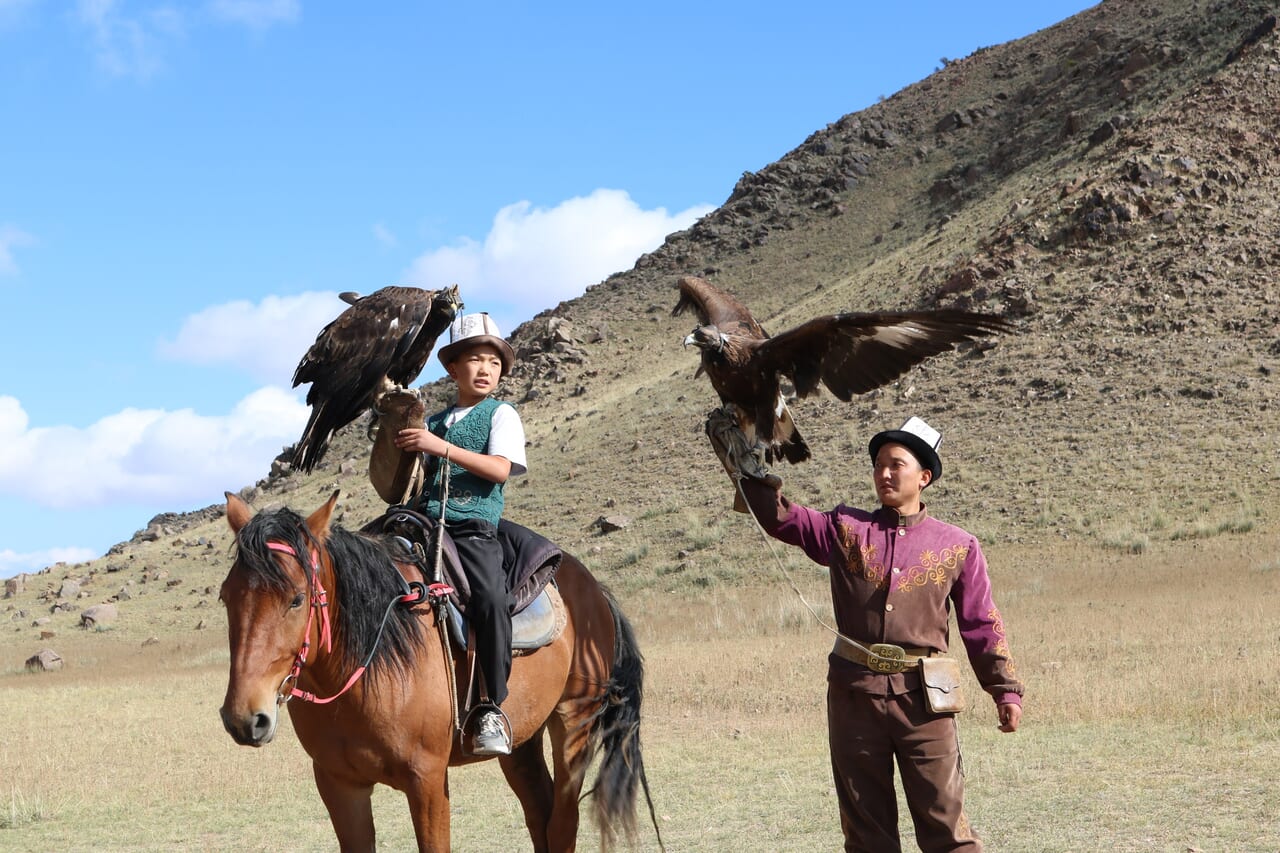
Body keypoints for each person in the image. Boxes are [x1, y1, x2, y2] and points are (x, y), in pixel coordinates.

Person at [708, 411, 1023, 852]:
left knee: (946, 825)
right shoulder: (844, 529)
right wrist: (748, 472)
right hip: (854, 697)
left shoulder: (958, 545)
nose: (885, 473)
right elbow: (783, 519)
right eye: (879, 465)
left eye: (897, 464)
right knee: (866, 832)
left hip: (926, 703)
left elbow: (980, 622)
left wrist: (1004, 690)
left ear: (924, 477)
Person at [394, 312, 527, 756]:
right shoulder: (430, 421)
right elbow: (407, 479)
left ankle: (492, 706)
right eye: (474, 359)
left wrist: (440, 448)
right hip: (421, 523)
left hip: (473, 527)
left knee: (490, 597)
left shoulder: (501, 414)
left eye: (493, 361)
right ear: (453, 369)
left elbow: (500, 470)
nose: (485, 369)